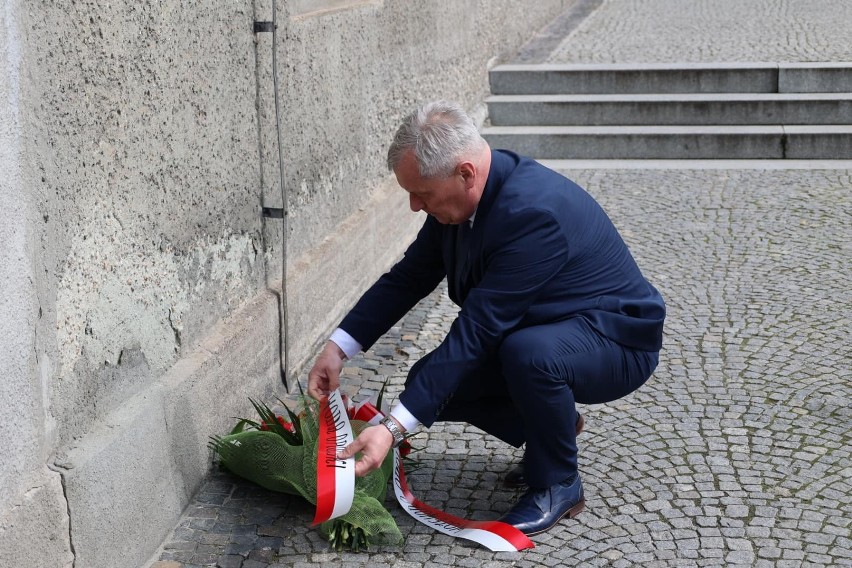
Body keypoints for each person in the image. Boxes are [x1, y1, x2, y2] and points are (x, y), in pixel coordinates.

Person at [307, 100, 665, 535]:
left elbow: (477, 331)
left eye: (421, 194)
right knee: (433, 383)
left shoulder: (532, 214)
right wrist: (338, 347)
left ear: (465, 173)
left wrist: (390, 429)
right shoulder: (460, 199)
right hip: (550, 327)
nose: (415, 207)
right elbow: (408, 278)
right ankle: (556, 426)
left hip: (616, 341)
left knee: (528, 355)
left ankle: (559, 482)